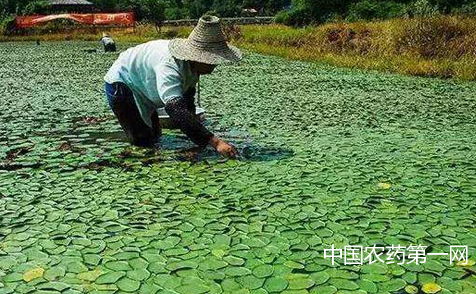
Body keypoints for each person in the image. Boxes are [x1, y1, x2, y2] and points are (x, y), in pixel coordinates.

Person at [104, 15, 241, 158]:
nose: (214, 65)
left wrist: (197, 138)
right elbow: (175, 109)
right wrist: (216, 142)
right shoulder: (170, 65)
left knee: (156, 136)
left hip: (144, 87)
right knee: (142, 140)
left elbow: (187, 101)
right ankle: (128, 164)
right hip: (122, 83)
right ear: (198, 57)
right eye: (211, 61)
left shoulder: (193, 66)